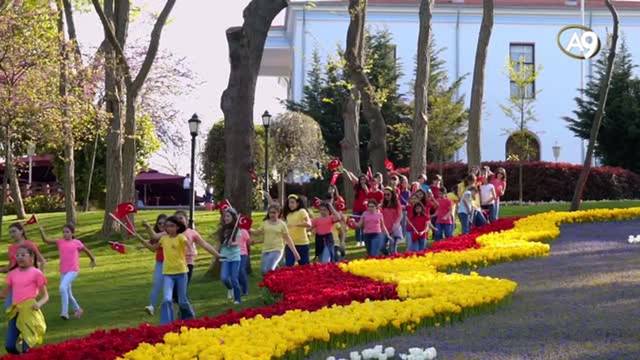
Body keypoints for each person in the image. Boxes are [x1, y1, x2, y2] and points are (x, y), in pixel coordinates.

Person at [136, 216, 220, 324]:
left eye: (172, 226)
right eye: (167, 226)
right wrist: (143, 241)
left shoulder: (181, 237)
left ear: (178, 227)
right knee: (167, 299)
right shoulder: (163, 238)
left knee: (182, 301)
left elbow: (187, 244)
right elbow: (153, 248)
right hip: (168, 274)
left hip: (181, 273)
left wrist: (190, 248)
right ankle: (166, 324)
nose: (169, 228)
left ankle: (191, 319)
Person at [38, 224, 96, 320]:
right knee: (67, 293)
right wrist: (41, 231)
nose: (65, 234)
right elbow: (46, 241)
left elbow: (86, 250)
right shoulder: (60, 242)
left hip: (73, 270)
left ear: (72, 233)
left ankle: (64, 312)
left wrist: (92, 259)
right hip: (63, 271)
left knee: (62, 287)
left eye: (67, 232)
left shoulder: (76, 242)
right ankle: (78, 309)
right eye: (64, 232)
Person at [0, 246, 49, 354]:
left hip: (30, 312)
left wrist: (38, 304)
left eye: (23, 255)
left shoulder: (37, 273)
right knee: (9, 346)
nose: (19, 257)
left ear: (31, 257)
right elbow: (3, 294)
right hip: (15, 312)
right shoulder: (12, 274)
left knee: (27, 348)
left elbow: (45, 296)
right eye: (17, 255)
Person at [0, 223, 46, 309]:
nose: (12, 234)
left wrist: (39, 281)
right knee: (10, 307)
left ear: (21, 231)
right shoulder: (11, 248)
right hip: (13, 281)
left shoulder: (29, 244)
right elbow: (10, 267)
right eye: (10, 232)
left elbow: (42, 261)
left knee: (20, 309)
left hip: (26, 283)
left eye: (14, 231)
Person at [251, 205, 300, 274]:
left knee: (268, 270)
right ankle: (276, 277)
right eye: (270, 212)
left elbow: (288, 239)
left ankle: (273, 278)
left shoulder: (282, 224)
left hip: (277, 249)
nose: (272, 214)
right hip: (266, 250)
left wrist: (295, 253)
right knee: (263, 271)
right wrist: (246, 227)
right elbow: (256, 233)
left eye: (274, 212)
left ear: (278, 213)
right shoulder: (265, 223)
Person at [142, 214, 167, 315]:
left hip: (171, 263)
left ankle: (167, 305)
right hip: (160, 262)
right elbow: (152, 246)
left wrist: (148, 227)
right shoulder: (159, 235)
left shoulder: (167, 234)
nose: (161, 225)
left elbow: (153, 247)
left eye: (164, 223)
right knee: (156, 284)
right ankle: (151, 306)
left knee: (168, 286)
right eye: (159, 223)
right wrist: (143, 242)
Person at [217, 208, 244, 304]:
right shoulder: (222, 229)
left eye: (228, 216)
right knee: (224, 277)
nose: (226, 218)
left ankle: (237, 299)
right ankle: (230, 288)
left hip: (235, 257)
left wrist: (232, 243)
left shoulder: (237, 229)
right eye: (225, 216)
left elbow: (238, 242)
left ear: (233, 217)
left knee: (234, 278)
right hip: (225, 257)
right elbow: (220, 242)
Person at [283, 194, 312, 267]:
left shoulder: (302, 211)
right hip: (290, 245)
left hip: (302, 244)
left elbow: (309, 224)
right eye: (289, 203)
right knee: (289, 266)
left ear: (297, 203)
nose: (290, 205)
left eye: (293, 202)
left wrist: (296, 225)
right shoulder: (288, 214)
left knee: (304, 267)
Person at [342, 171, 370, 247]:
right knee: (356, 225)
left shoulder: (368, 187)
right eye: (361, 179)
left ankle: (363, 240)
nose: (362, 181)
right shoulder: (357, 187)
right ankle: (358, 240)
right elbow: (352, 179)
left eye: (364, 179)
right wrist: (348, 173)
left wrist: (366, 189)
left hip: (365, 209)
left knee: (364, 225)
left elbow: (369, 196)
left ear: (366, 180)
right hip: (357, 209)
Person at [381, 187, 403, 255]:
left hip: (394, 229)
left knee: (392, 249)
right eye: (384, 195)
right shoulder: (382, 203)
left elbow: (400, 215)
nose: (386, 196)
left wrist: (396, 224)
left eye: (388, 194)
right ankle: (387, 256)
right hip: (384, 229)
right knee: (381, 247)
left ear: (392, 194)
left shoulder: (397, 203)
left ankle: (393, 261)